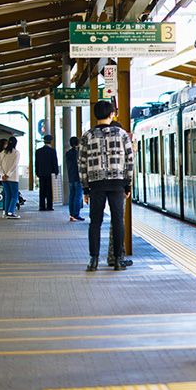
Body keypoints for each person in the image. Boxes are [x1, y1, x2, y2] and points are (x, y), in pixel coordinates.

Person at [78, 101, 134, 272]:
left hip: (96, 184)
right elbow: (129, 161)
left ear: (95, 116)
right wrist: (128, 184)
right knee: (118, 221)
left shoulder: (87, 136)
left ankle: (93, 261)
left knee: (95, 222)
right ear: (111, 115)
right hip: (117, 183)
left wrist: (85, 189)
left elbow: (81, 164)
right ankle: (118, 260)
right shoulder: (122, 134)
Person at [105, 121, 133, 268]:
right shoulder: (121, 143)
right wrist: (128, 186)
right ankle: (117, 256)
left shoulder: (102, 142)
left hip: (105, 186)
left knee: (114, 223)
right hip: (119, 186)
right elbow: (129, 165)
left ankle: (113, 256)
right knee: (118, 223)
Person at [0, 136, 21, 219]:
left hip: (3, 178)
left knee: (7, 195)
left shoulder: (2, 153)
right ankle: (11, 212)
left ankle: (6, 212)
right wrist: (8, 174)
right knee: (14, 196)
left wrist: (2, 174)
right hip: (13, 178)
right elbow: (14, 165)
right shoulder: (16, 153)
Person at [35, 134, 59, 211]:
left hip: (41, 173)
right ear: (50, 142)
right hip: (50, 174)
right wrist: (56, 172)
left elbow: (36, 163)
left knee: (42, 190)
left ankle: (41, 206)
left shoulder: (38, 151)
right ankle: (49, 206)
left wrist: (37, 172)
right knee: (49, 190)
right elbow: (55, 162)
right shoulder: (52, 151)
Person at [66, 136, 84, 222]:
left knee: (72, 196)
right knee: (78, 196)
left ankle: (71, 214)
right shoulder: (78, 153)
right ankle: (76, 214)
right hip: (78, 177)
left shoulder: (68, 153)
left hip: (71, 177)